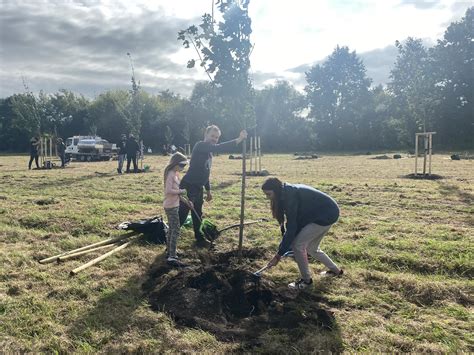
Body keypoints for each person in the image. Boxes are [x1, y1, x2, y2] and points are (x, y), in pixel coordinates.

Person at [261, 177, 343, 290]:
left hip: (325, 215)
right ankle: (336, 271)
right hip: (328, 212)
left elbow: (292, 227)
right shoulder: (286, 191)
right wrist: (284, 246)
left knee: (298, 246)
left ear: (276, 190)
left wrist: (278, 255)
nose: (268, 198)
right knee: (312, 248)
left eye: (269, 194)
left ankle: (306, 282)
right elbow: (295, 224)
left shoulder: (290, 197)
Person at [178, 125, 247, 246]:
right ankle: (170, 239)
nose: (214, 139)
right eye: (212, 136)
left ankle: (199, 239)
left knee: (197, 213)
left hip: (198, 187)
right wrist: (238, 140)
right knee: (182, 215)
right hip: (188, 186)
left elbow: (205, 172)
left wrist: (208, 190)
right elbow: (219, 148)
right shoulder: (200, 146)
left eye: (216, 137)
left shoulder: (209, 153)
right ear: (206, 135)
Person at [163, 152, 193, 267]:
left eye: (184, 166)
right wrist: (181, 191)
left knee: (172, 229)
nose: (182, 168)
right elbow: (168, 191)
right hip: (170, 206)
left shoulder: (175, 174)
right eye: (181, 165)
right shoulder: (170, 174)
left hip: (174, 204)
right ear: (175, 164)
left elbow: (178, 194)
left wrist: (187, 202)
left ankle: (170, 250)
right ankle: (172, 257)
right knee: (175, 230)